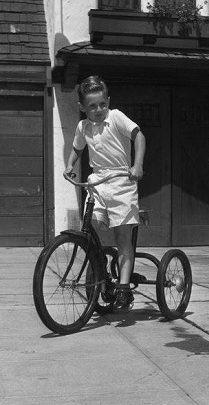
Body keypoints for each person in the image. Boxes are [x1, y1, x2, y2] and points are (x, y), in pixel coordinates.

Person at [64, 75, 146, 309]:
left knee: (123, 238)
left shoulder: (117, 116)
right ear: (82, 107)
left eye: (102, 104)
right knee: (93, 225)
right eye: (92, 106)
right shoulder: (83, 126)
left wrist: (137, 165)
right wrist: (70, 165)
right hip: (97, 181)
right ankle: (101, 266)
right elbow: (77, 148)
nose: (99, 109)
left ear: (108, 100)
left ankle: (123, 288)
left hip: (122, 180)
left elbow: (139, 136)